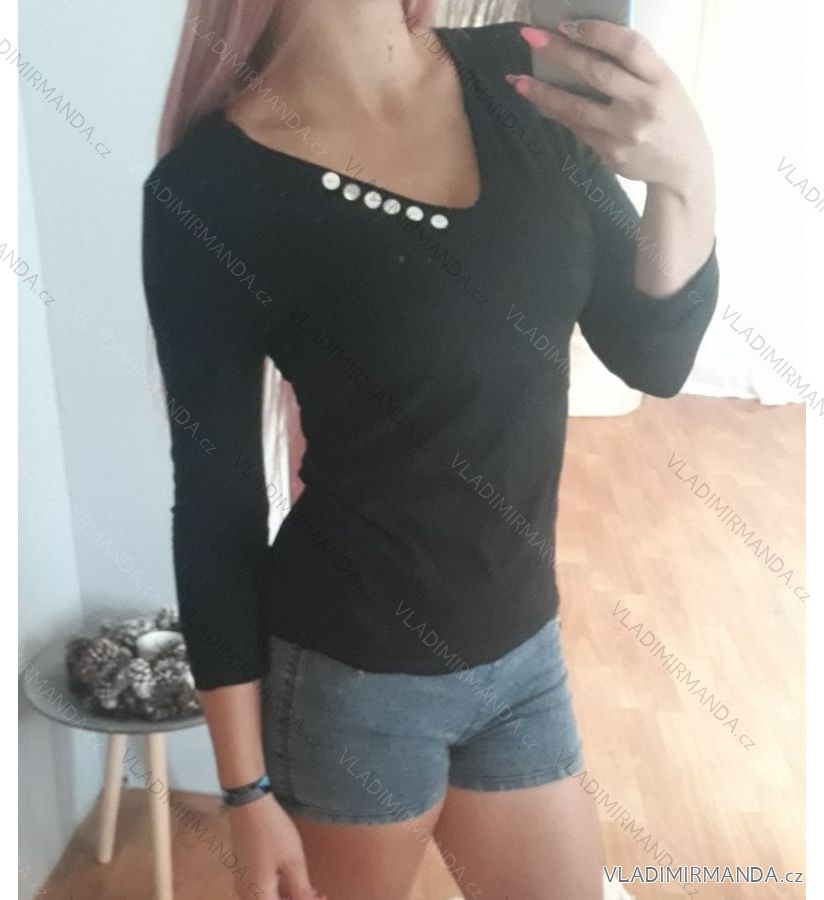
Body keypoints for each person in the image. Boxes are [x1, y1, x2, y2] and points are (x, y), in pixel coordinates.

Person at [142, 2, 719, 898]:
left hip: (524, 657)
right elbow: (217, 507)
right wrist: (244, 789)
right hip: (352, 688)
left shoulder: (521, 75)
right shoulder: (209, 189)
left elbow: (655, 355)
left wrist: (687, 177)